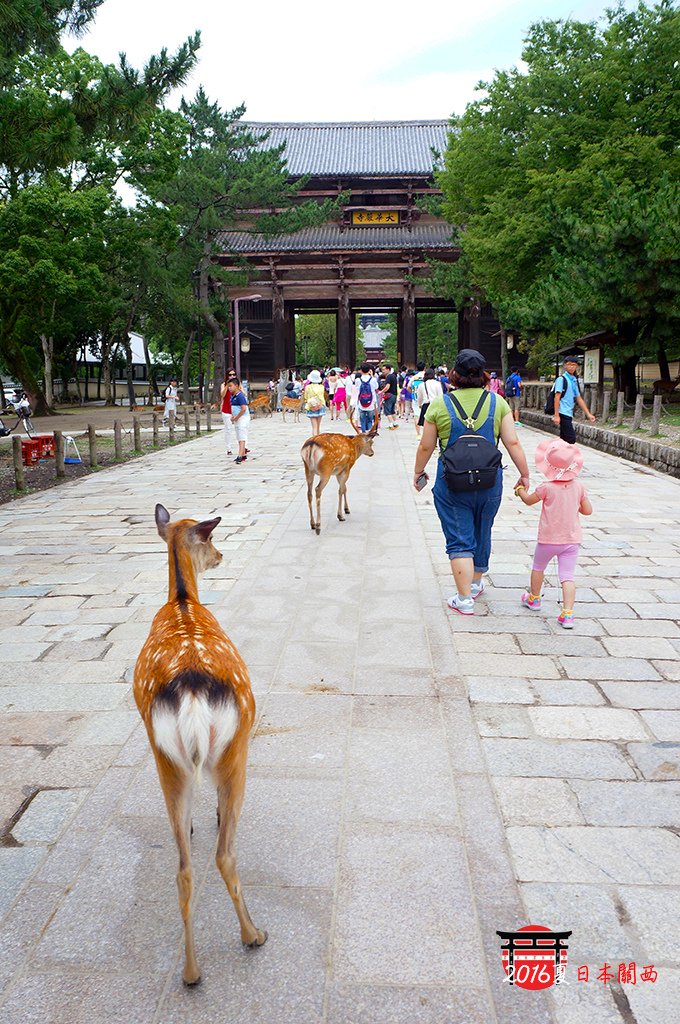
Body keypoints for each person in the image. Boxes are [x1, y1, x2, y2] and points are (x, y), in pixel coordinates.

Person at [413, 349, 530, 615]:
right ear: (484, 375)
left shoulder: (440, 405)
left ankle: (464, 599)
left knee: (459, 536)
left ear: (454, 375)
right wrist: (525, 473)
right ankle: (475, 583)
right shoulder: (497, 402)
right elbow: (512, 441)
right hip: (490, 480)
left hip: (451, 480)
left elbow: (426, 446)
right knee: (482, 528)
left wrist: (418, 472)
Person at [515, 438, 592, 629]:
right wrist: (576, 504)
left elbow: (528, 500)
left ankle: (534, 599)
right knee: (567, 576)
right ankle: (567, 614)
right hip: (571, 541)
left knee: (538, 566)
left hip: (548, 539)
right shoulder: (579, 487)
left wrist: (520, 490)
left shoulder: (546, 488)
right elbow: (587, 510)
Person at [551, 354, 596, 444]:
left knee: (564, 439)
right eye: (569, 364)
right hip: (562, 412)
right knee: (571, 438)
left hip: (568, 412)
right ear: (564, 365)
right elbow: (557, 397)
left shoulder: (574, 380)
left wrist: (588, 414)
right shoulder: (561, 379)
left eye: (573, 365)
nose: (571, 367)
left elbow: (578, 398)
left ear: (577, 366)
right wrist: (556, 415)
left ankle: (561, 456)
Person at [228, 377, 250, 463]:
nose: (229, 388)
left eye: (231, 386)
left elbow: (243, 408)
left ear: (236, 386)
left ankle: (240, 455)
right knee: (239, 436)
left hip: (242, 418)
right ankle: (243, 454)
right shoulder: (233, 396)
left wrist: (236, 417)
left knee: (242, 436)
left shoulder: (240, 396)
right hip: (237, 418)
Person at [355, 363, 379, 433]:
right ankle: (369, 434)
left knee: (362, 420)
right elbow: (376, 387)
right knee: (370, 420)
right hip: (371, 402)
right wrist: (371, 375)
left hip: (361, 402)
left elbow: (357, 388)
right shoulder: (373, 379)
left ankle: (363, 434)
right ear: (369, 370)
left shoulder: (358, 380)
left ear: (361, 370)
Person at [304, 369, 326, 437]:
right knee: (318, 426)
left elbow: (306, 397)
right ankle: (318, 440)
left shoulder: (308, 387)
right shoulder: (322, 387)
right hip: (320, 405)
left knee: (314, 427)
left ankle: (314, 441)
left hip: (312, 406)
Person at [220, 370, 236, 455]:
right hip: (227, 410)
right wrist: (227, 385)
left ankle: (243, 446)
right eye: (230, 375)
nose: (232, 376)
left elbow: (242, 393)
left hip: (236, 410)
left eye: (234, 374)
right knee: (228, 429)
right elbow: (222, 395)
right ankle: (229, 448)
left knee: (240, 428)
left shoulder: (237, 385)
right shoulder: (223, 385)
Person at [380, 363, 399, 429]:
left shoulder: (388, 377)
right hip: (394, 394)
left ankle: (391, 424)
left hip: (389, 394)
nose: (383, 371)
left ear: (388, 369)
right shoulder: (394, 376)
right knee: (392, 410)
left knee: (387, 410)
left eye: (384, 369)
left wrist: (381, 392)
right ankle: (395, 423)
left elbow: (387, 387)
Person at [410, 361, 426, 436]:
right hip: (425, 398)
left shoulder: (414, 377)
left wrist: (412, 393)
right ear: (424, 368)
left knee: (416, 415)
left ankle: (418, 433)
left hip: (416, 397)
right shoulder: (427, 376)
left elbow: (408, 387)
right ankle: (425, 433)